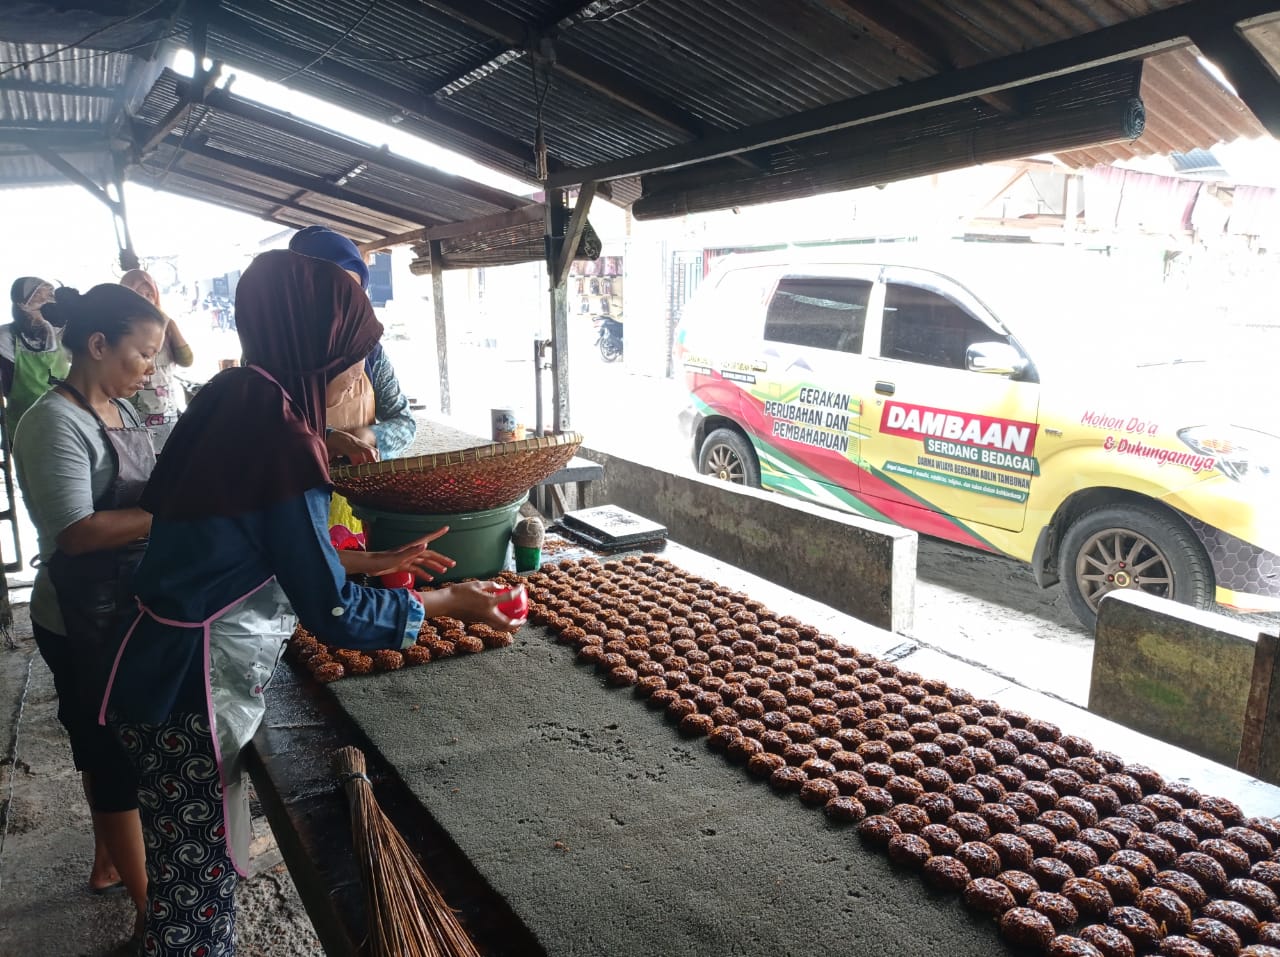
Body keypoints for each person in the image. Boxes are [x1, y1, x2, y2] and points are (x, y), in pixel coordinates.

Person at [99, 250, 522, 956]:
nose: (355, 377)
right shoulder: (279, 432)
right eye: (349, 360)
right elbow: (332, 614)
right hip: (188, 688)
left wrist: (367, 560)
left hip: (154, 666)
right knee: (195, 906)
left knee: (186, 879)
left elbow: (240, 542)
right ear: (312, 345)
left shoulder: (231, 397)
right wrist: (450, 601)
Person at [12, 283, 166, 946]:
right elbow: (74, 531)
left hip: (124, 603)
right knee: (110, 756)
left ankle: (109, 861)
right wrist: (175, 517)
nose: (150, 365)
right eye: (142, 351)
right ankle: (151, 911)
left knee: (100, 738)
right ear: (98, 344)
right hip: (78, 618)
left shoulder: (124, 409)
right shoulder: (53, 422)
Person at [288, 225, 418, 537]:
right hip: (294, 509)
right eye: (334, 294)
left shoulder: (370, 352)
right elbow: (263, 432)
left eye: (354, 295)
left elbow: (405, 423)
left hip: (358, 505)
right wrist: (328, 437)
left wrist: (368, 435)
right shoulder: (275, 354)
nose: (344, 310)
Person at [119, 269, 194, 452]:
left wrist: (171, 325)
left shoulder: (165, 326)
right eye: (138, 294)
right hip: (136, 413)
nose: (145, 300)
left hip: (167, 411)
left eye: (149, 294)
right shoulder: (121, 332)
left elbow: (187, 360)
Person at [2, 276, 71, 439]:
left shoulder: (61, 334)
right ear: (22, 304)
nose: (46, 302)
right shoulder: (6, 339)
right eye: (39, 297)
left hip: (67, 422)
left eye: (50, 296)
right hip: (26, 429)